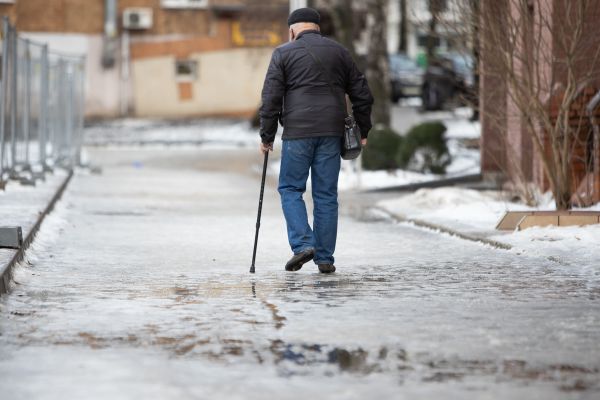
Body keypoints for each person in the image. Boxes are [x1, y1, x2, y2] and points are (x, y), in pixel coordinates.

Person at [259, 7, 373, 274]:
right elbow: (363, 94)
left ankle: (302, 245)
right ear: (318, 28)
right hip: (332, 133)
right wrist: (363, 130)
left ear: (292, 30)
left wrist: (267, 136)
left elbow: (271, 99)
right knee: (325, 195)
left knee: (290, 189)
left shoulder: (283, 53)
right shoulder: (340, 52)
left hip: (298, 133)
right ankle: (324, 258)